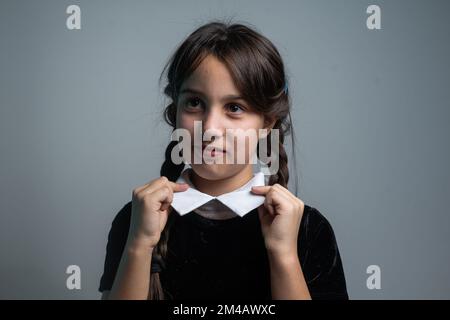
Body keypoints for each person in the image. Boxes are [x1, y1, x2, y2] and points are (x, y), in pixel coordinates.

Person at [98, 21, 349, 300]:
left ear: (267, 122)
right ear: (175, 110)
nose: (210, 128)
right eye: (194, 103)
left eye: (234, 108)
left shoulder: (309, 230)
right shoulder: (136, 220)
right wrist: (140, 245)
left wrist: (284, 255)